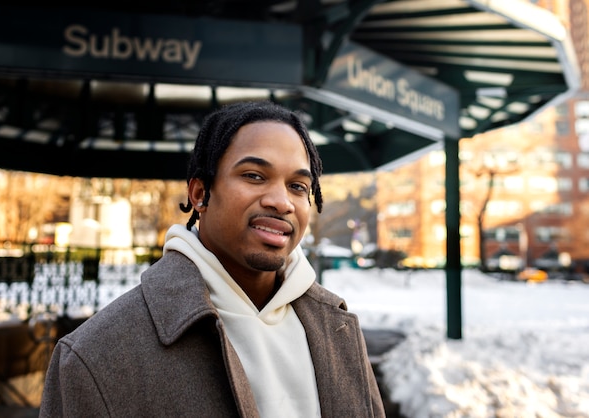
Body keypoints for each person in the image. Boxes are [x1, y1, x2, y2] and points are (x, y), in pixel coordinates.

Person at [39, 100, 385, 417]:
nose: (282, 202)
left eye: (298, 186)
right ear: (201, 193)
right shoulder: (96, 356)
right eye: (254, 176)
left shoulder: (338, 329)